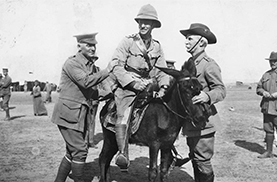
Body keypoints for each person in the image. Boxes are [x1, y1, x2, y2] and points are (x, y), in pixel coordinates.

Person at [110, 4, 170, 171]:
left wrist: (164, 86)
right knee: (124, 111)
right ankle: (122, 153)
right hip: (127, 85)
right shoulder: (128, 41)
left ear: (153, 26)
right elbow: (116, 65)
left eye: (147, 23)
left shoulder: (157, 46)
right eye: (141, 22)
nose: (143, 25)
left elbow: (162, 70)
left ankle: (169, 150)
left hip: (148, 85)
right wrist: (133, 83)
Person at [51, 32, 117, 182]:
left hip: (79, 115)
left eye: (94, 45)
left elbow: (93, 92)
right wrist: (107, 71)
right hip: (68, 114)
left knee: (71, 152)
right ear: (79, 46)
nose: (93, 48)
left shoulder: (91, 67)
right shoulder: (72, 63)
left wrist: (112, 93)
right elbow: (86, 82)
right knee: (80, 151)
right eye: (89, 45)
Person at [178, 23, 226, 182]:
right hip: (192, 121)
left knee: (203, 161)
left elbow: (220, 90)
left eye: (190, 39)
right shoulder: (190, 64)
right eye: (186, 38)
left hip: (205, 122)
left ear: (202, 43)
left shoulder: (208, 64)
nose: (186, 42)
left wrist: (207, 96)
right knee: (195, 158)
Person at [256, 51, 277, 162]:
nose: (272, 63)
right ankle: (269, 152)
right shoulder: (266, 74)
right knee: (268, 130)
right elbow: (258, 88)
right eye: (271, 61)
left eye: (275, 61)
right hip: (267, 107)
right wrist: (263, 92)